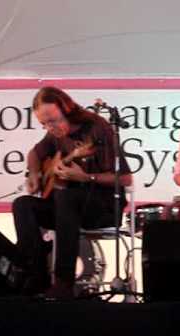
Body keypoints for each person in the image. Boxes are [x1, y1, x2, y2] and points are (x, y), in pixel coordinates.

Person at [12, 86, 132, 299]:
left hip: (102, 207)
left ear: (67, 109)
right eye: (44, 123)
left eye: (54, 120)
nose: (50, 127)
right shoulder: (54, 135)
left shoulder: (97, 128)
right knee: (23, 204)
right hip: (67, 211)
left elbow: (124, 178)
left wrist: (86, 177)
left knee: (66, 195)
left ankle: (63, 282)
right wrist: (33, 174)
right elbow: (35, 153)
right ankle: (35, 273)